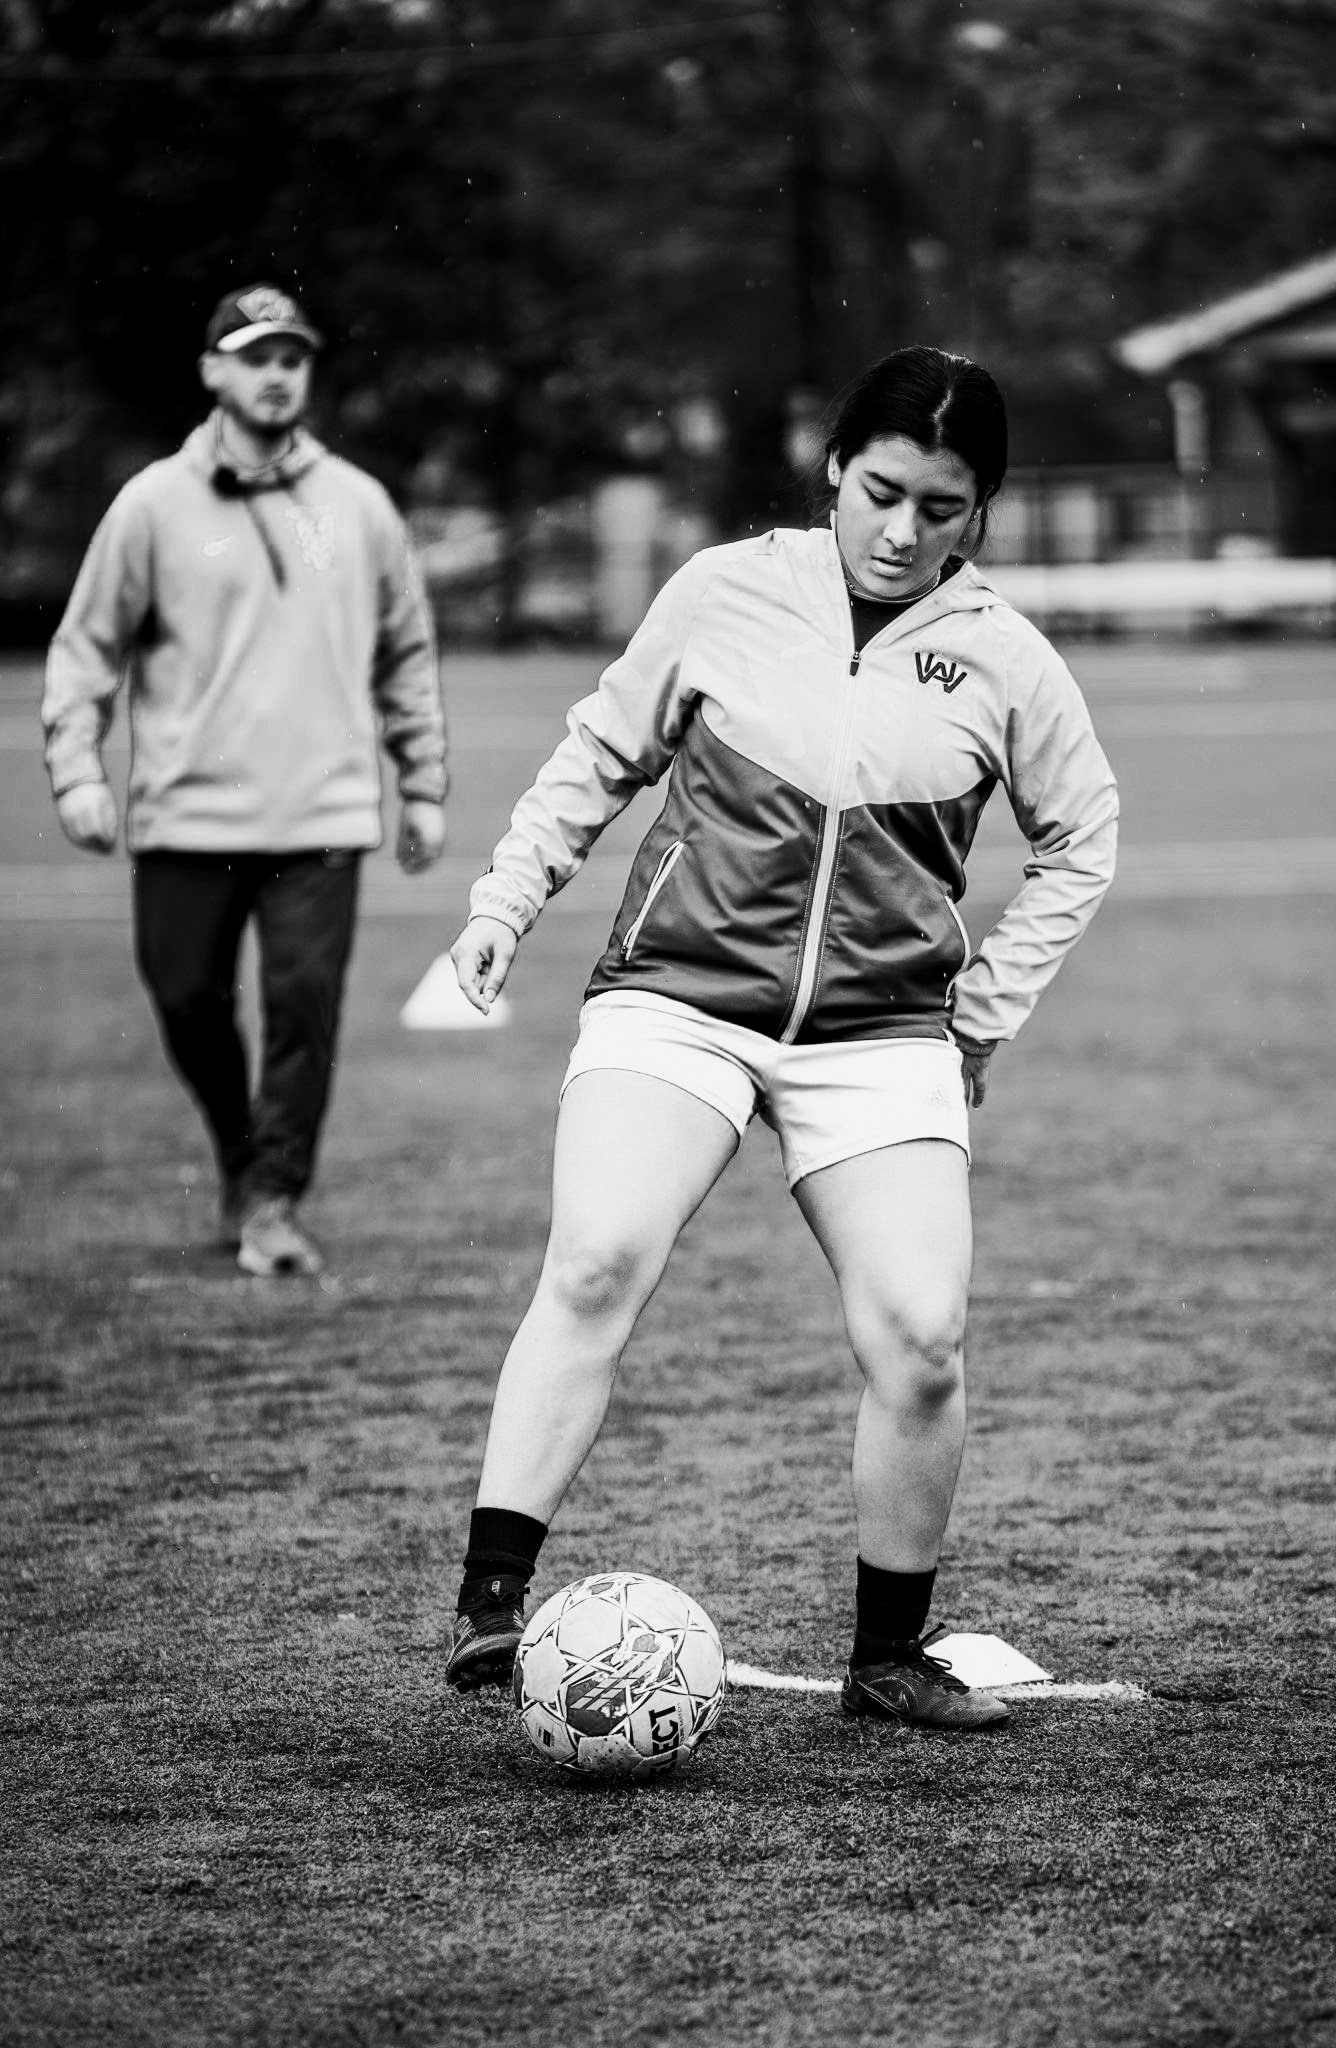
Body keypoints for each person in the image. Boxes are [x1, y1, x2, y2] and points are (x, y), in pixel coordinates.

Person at [444, 346, 1118, 1728]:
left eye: (942, 507)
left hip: (878, 1035)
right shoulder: (724, 589)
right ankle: (490, 1608)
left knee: (923, 1335)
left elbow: (1082, 837)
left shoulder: (1002, 655)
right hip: (678, 997)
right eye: (881, 492)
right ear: (832, 468)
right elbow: (597, 757)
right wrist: (508, 899)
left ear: (978, 511)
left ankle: (887, 1654)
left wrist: (980, 1016)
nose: (902, 531)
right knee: (597, 1258)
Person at [42, 283, 448, 1278]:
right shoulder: (150, 505)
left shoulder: (358, 505)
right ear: (213, 371)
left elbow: (407, 651)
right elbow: (85, 648)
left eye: (293, 358)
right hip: (187, 812)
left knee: (303, 1009)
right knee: (185, 999)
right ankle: (238, 1151)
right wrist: (76, 769)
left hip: (322, 813)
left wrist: (424, 784)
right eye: (256, 356)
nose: (277, 376)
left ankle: (271, 1199)